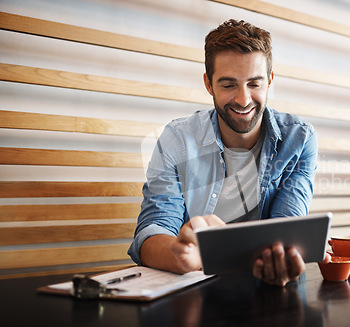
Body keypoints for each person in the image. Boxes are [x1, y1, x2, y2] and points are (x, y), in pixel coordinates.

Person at [128, 19, 318, 287]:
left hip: (266, 290)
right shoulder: (176, 139)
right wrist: (178, 255)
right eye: (228, 85)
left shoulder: (299, 139)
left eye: (254, 84)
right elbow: (153, 229)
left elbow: (286, 230)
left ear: (270, 80)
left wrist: (283, 259)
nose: (243, 99)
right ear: (208, 84)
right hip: (196, 292)